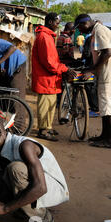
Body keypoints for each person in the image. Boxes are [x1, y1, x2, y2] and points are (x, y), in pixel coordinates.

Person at [0, 117, 69, 222]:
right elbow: (2, 183)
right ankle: (24, 208)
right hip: (33, 184)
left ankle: (42, 218)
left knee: (15, 169)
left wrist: (5, 208)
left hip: (51, 188)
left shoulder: (24, 146)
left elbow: (41, 187)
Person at [31, 13, 77, 141]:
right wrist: (64, 69)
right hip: (45, 77)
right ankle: (43, 130)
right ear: (50, 22)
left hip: (49, 78)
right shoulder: (45, 37)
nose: (58, 25)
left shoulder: (47, 36)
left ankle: (48, 126)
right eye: (57, 23)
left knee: (51, 103)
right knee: (46, 104)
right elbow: (49, 62)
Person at [75, 14, 111, 148]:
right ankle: (105, 135)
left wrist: (93, 70)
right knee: (104, 106)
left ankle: (109, 140)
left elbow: (108, 52)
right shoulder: (96, 30)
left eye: (80, 27)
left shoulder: (100, 30)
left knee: (107, 107)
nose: (80, 31)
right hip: (104, 72)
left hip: (108, 73)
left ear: (85, 24)